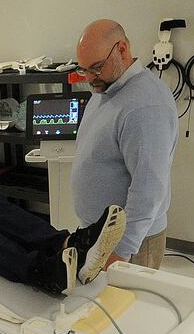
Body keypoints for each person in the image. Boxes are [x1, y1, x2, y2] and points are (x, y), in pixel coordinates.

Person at [72, 19, 179, 270]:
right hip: (100, 233)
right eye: (83, 70)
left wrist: (121, 250)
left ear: (122, 49)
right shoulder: (107, 89)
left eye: (96, 68)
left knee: (131, 307)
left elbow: (149, 187)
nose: (89, 78)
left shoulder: (145, 105)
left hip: (130, 242)